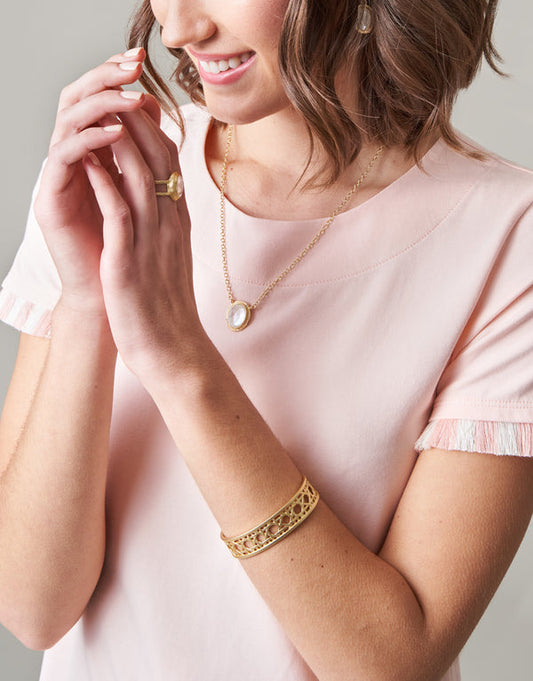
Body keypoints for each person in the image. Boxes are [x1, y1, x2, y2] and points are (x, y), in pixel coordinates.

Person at [0, 0, 532, 679]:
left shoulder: (507, 238)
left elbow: (391, 663)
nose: (177, 29)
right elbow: (31, 607)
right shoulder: (118, 170)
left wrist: (179, 360)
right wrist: (85, 303)